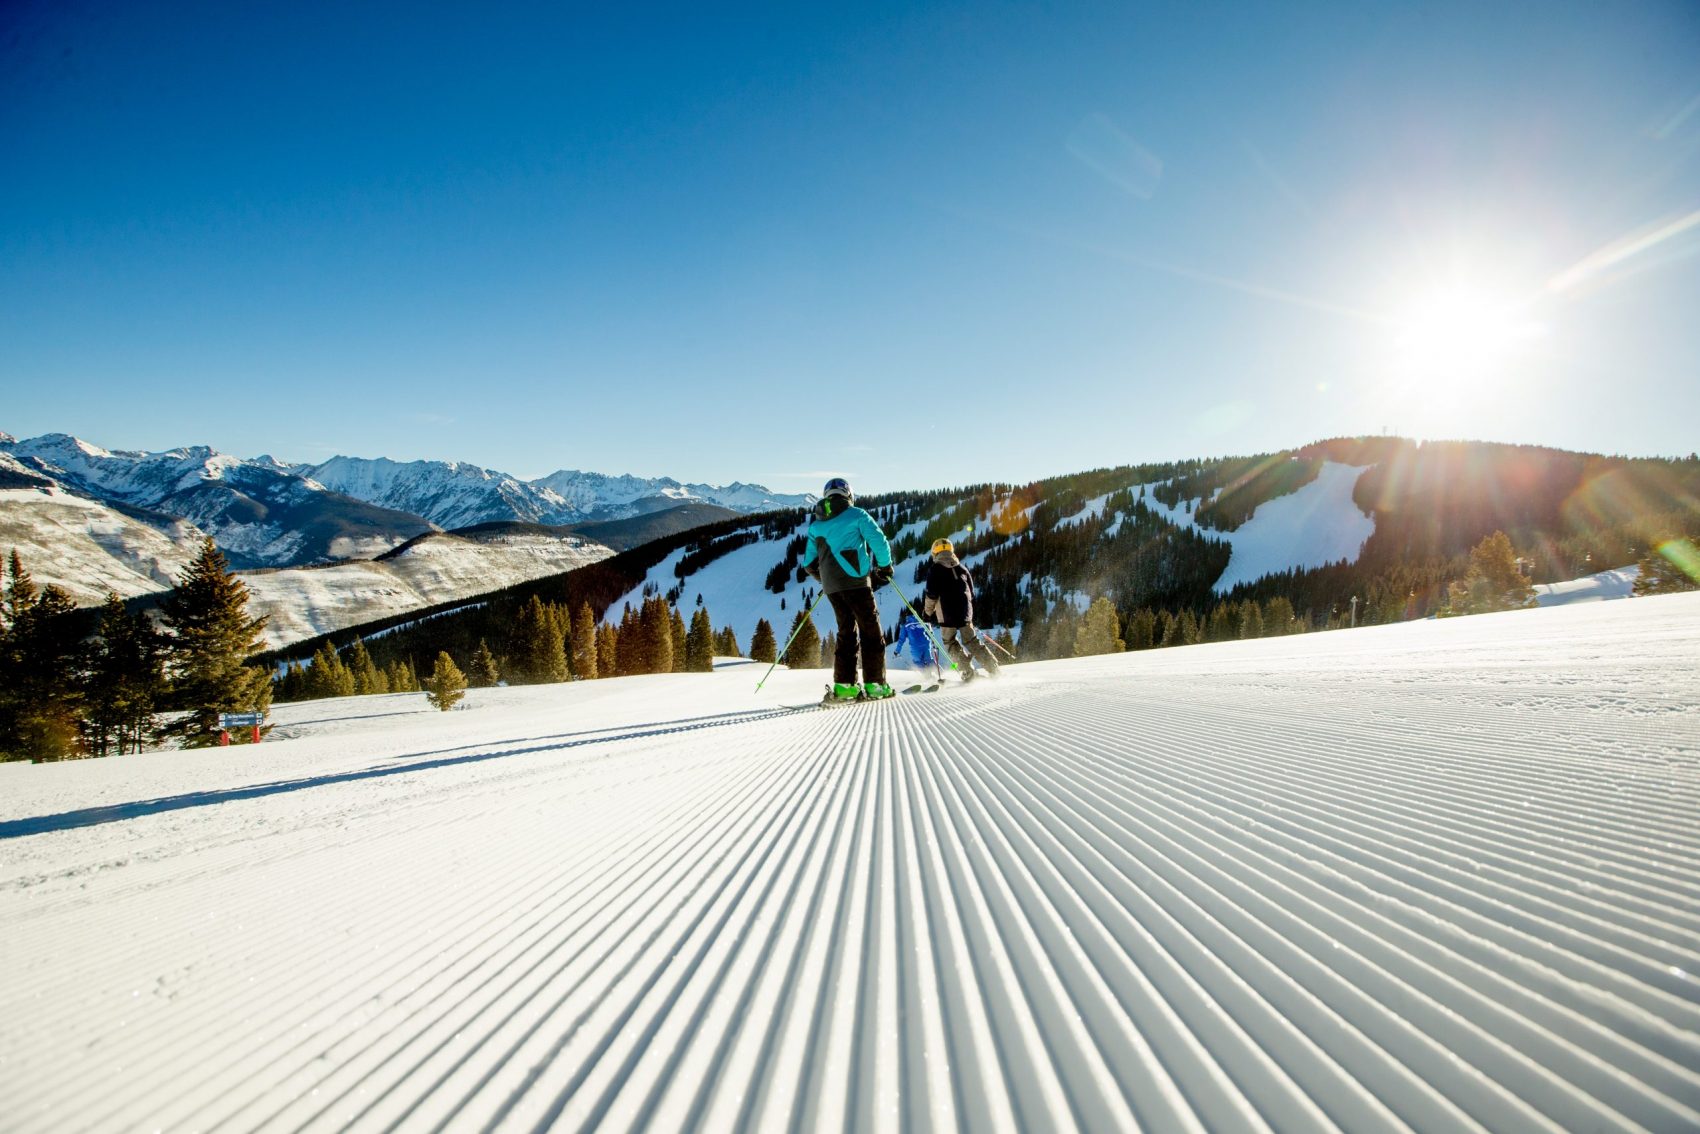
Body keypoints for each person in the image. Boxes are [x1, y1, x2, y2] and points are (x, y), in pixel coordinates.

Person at [801, 477, 896, 701]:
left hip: (833, 589)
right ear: (848, 495)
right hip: (857, 583)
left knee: (846, 633)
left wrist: (825, 580)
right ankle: (876, 685)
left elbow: (809, 564)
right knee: (871, 632)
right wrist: (885, 567)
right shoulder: (857, 515)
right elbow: (879, 540)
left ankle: (845, 687)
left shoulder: (816, 525)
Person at [922, 538, 1000, 682]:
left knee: (950, 643)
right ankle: (994, 668)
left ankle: (968, 673)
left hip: (946, 615)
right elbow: (972, 593)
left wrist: (927, 614)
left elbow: (931, 595)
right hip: (965, 613)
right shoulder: (962, 568)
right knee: (972, 641)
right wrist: (967, 612)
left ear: (935, 553)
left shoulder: (935, 569)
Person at [891, 609, 943, 687]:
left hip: (915, 647)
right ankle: (942, 673)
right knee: (929, 660)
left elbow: (901, 640)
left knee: (918, 662)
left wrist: (897, 651)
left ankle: (929, 678)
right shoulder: (921, 622)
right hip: (926, 644)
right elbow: (930, 632)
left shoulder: (905, 626)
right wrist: (933, 642)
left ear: (907, 617)